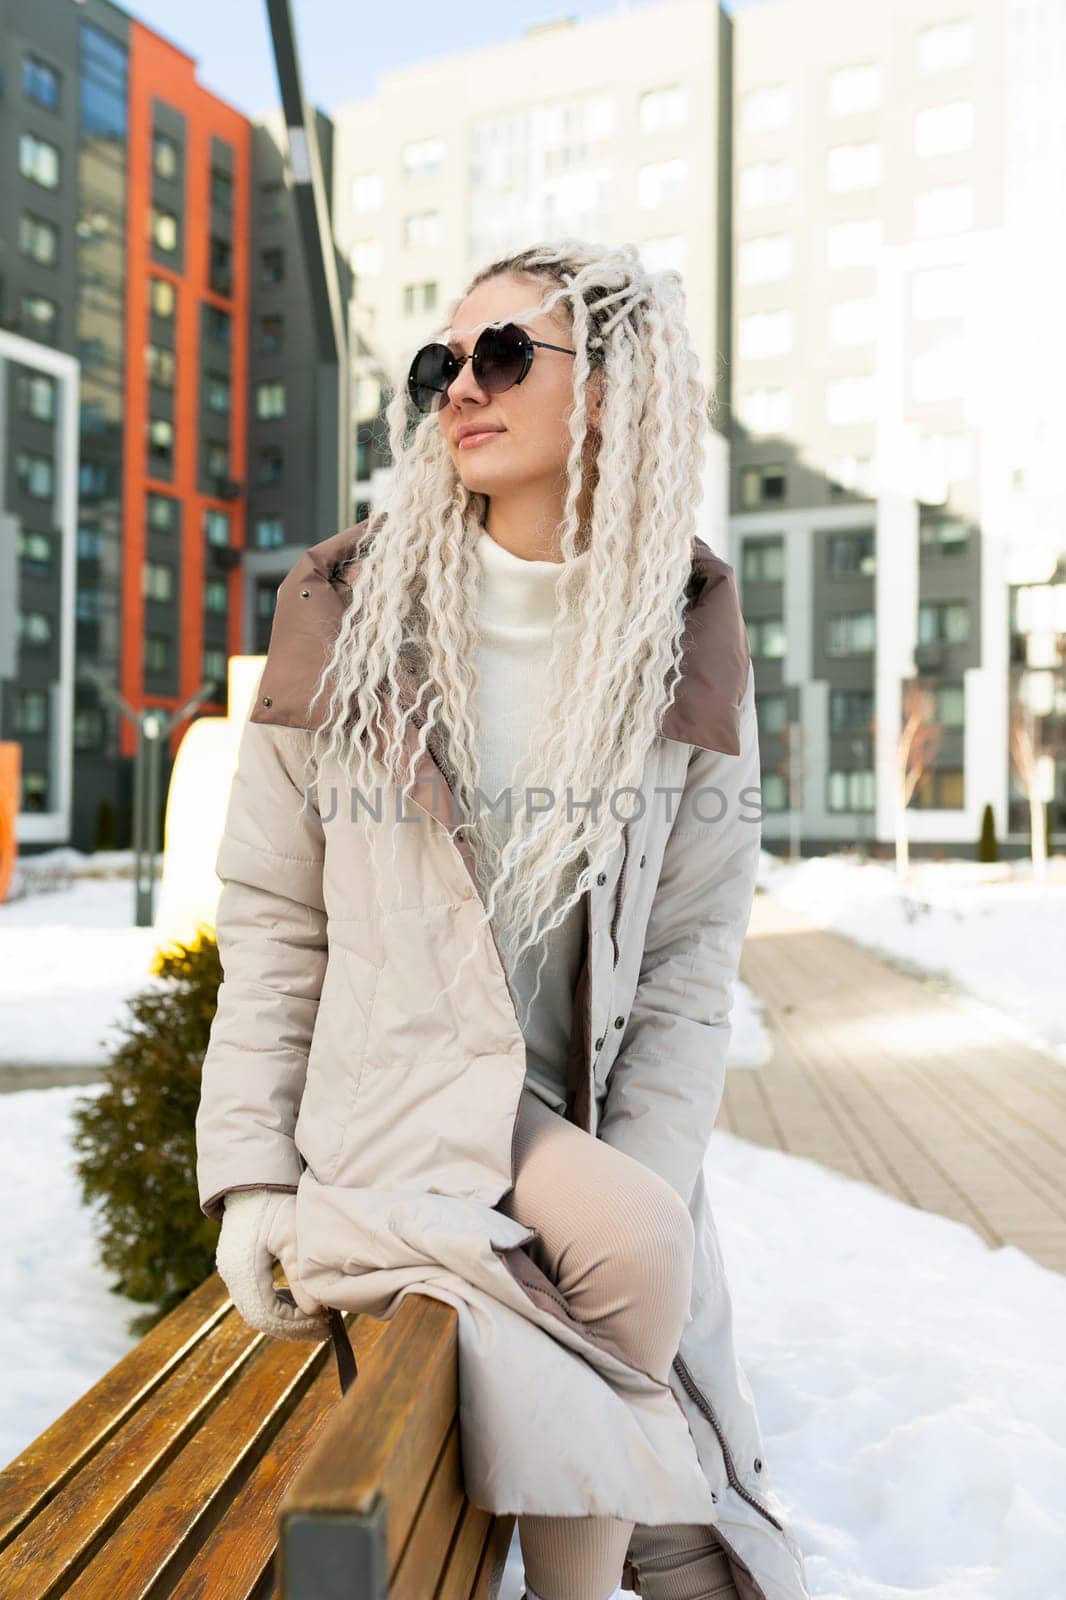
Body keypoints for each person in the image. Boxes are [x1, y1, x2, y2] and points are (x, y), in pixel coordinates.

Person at [197, 240, 811, 1600]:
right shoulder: (346, 609)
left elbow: (688, 961)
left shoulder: (688, 631)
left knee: (635, 1235)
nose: (459, 388)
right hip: (396, 1105)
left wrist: (632, 1168)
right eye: (437, 365)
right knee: (641, 1250)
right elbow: (275, 926)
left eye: (502, 355)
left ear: (608, 390)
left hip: (570, 1125)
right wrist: (248, 1179)